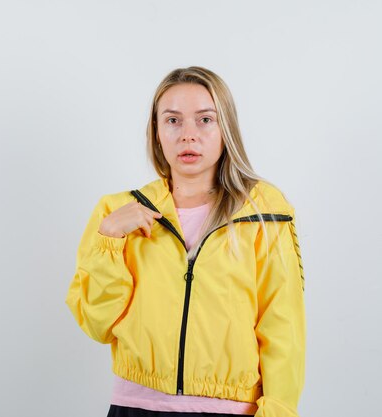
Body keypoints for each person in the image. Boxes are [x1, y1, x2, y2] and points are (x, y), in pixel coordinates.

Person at [65, 66, 306, 417]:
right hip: (136, 406)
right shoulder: (116, 213)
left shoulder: (264, 213)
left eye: (205, 120)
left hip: (232, 410)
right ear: (157, 132)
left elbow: (283, 325)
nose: (188, 135)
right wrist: (110, 240)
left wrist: (278, 411)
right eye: (173, 121)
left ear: (226, 129)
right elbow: (96, 323)